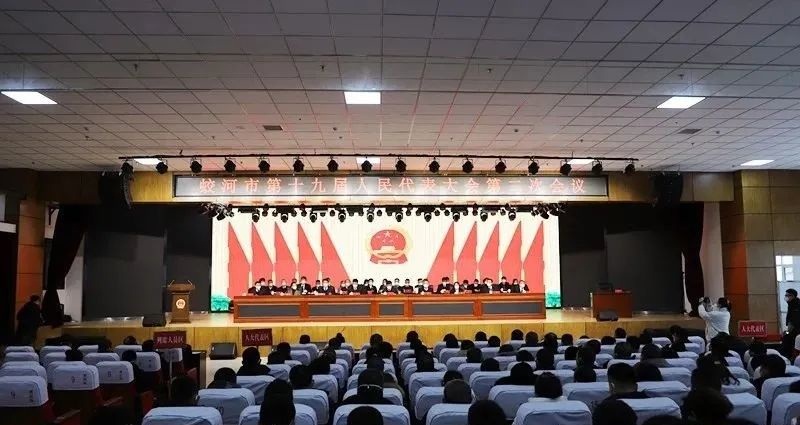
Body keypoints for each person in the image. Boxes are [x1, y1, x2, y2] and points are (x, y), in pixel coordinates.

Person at [785, 289, 800, 356]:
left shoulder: (796, 305)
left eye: (787, 295)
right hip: (793, 330)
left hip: (796, 331)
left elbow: (792, 323)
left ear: (792, 296)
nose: (786, 297)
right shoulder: (791, 304)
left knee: (789, 342)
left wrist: (787, 332)